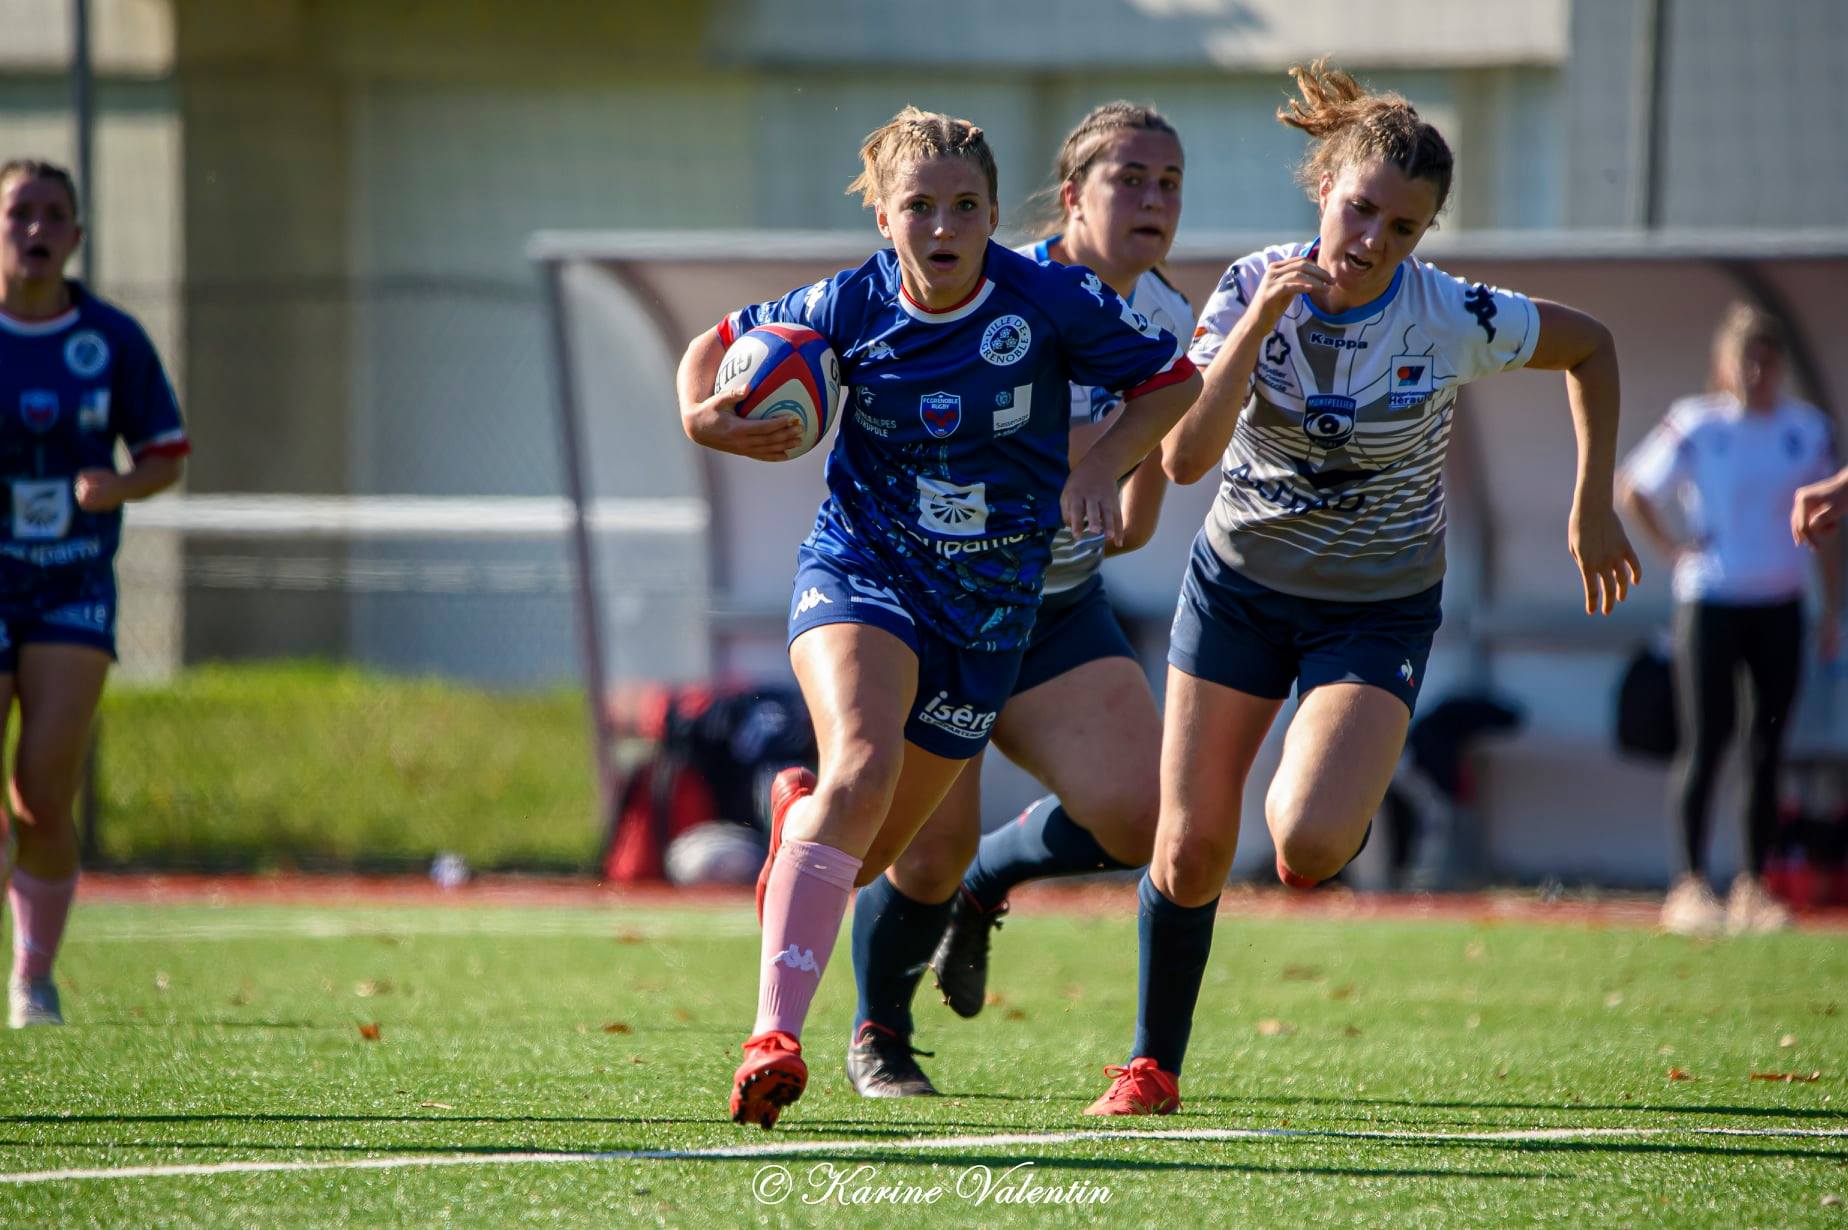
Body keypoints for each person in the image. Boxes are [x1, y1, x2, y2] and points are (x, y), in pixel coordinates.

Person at [1086, 60, 1641, 1116]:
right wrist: (1254, 333)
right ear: (1322, 189)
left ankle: (1342, 751)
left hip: (1377, 606)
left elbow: (1594, 347)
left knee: (1305, 843)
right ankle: (1150, 1067)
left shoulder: (1453, 314)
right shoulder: (1252, 285)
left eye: (1405, 227)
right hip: (1238, 590)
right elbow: (1185, 461)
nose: (1376, 242)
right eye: (1361, 211)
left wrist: (1592, 504)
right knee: (1193, 845)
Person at [674, 108, 1201, 1129]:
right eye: (918, 205)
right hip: (865, 574)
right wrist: (703, 413)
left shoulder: (1047, 299)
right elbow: (716, 344)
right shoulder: (844, 301)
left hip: (996, 610)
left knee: (872, 853)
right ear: (882, 216)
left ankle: (805, 818)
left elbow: (1169, 385)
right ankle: (773, 1041)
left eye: (965, 206)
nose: (943, 224)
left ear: (996, 215)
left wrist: (1098, 469)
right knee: (864, 767)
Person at [841, 102, 1192, 1098]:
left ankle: (995, 878)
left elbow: (1133, 519)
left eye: (1168, 182)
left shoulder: (1167, 320)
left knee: (1140, 820)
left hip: (1054, 613)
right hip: (935, 606)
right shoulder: (993, 284)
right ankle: (880, 1035)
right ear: (1070, 196)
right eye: (1129, 178)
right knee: (920, 848)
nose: (1152, 199)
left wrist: (1129, 458)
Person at [0, 159, 189, 1027]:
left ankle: (33, 977)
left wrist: (116, 488)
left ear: (76, 236)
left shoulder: (110, 339)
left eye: (51, 215)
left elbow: (165, 455)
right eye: (17, 213)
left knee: (43, 790)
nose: (34, 229)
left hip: (73, 582)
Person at [1620, 303, 1839, 936]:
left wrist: (1831, 608)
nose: (1756, 371)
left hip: (1780, 602)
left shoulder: (1807, 429)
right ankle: (1688, 882)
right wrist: (1672, 547)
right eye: (1745, 358)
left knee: (1766, 746)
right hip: (1711, 600)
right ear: (1723, 364)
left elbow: (1827, 526)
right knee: (1705, 740)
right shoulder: (1698, 423)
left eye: (1767, 360)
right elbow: (1633, 485)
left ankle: (1753, 883)